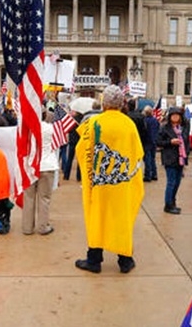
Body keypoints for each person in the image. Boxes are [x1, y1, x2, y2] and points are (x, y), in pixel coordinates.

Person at [74, 85, 144, 274]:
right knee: (122, 219)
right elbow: (138, 154)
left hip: (99, 183)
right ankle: (125, 260)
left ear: (104, 103)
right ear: (121, 104)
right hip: (122, 184)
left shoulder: (93, 123)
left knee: (98, 217)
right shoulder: (129, 124)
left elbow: (80, 150)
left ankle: (94, 260)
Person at [22, 109, 57, 235]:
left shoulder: (26, 129)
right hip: (47, 165)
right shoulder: (50, 128)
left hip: (30, 165)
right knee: (44, 198)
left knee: (29, 197)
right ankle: (43, 226)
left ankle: (27, 227)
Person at [157, 107, 190, 214]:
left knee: (177, 182)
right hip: (170, 157)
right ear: (170, 117)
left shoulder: (183, 128)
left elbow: (187, 142)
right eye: (173, 115)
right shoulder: (165, 128)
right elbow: (158, 141)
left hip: (180, 159)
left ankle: (173, 201)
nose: (175, 117)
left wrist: (187, 152)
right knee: (171, 182)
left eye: (177, 115)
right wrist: (170, 142)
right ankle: (168, 204)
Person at [142, 105, 160, 182]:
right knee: (152, 158)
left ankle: (148, 175)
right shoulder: (155, 120)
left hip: (147, 141)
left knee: (147, 159)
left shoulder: (145, 120)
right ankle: (154, 174)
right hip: (154, 141)